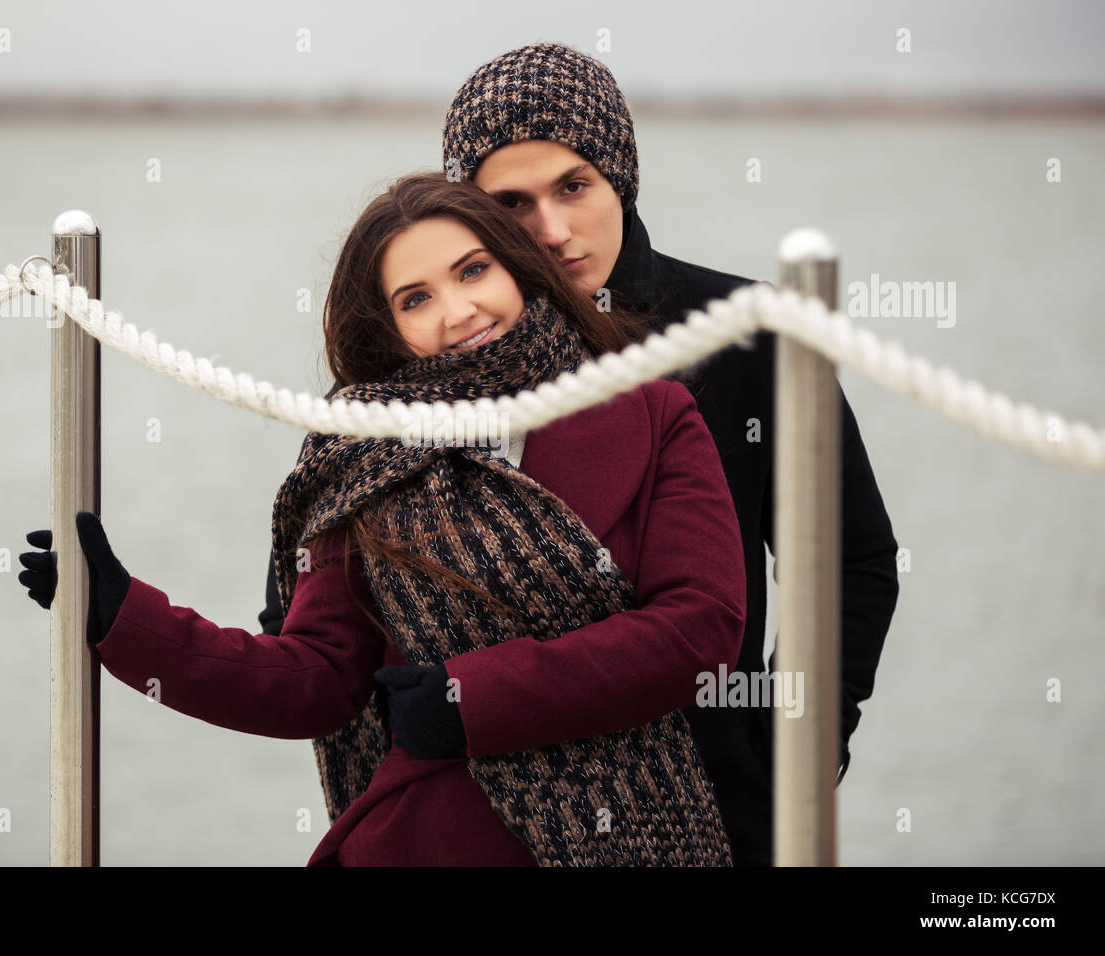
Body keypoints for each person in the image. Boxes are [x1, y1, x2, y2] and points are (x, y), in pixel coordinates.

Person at [256, 41, 902, 867]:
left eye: (574, 186)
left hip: (716, 803)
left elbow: (851, 561)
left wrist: (799, 748)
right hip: (484, 815)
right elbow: (305, 620)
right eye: (513, 203)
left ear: (619, 180)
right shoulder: (435, 358)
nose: (553, 229)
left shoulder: (744, 332)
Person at [18, 170, 748, 866]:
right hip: (426, 842)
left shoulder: (655, 415)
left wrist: (472, 701)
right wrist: (121, 615)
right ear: (391, 331)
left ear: (518, 268)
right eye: (414, 299)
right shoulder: (366, 456)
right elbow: (316, 681)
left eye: (472, 272)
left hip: (636, 837)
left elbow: (700, 629)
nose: (456, 312)